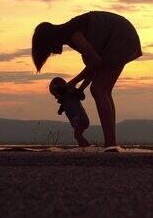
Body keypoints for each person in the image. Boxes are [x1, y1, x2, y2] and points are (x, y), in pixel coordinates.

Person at [32, 11, 142, 146]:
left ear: (50, 40)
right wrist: (80, 88)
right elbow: (94, 65)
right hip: (122, 38)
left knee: (98, 89)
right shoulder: (71, 34)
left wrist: (72, 83)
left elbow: (95, 62)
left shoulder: (73, 34)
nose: (52, 53)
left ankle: (110, 143)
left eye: (48, 50)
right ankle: (111, 142)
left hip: (120, 37)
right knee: (103, 90)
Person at [49, 77, 90, 147]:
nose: (56, 97)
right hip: (77, 120)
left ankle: (83, 147)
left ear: (60, 90)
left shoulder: (71, 94)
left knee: (77, 135)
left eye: (56, 95)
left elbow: (81, 96)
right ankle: (86, 145)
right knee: (78, 135)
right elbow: (63, 105)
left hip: (80, 119)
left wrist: (75, 91)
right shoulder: (64, 100)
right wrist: (60, 110)